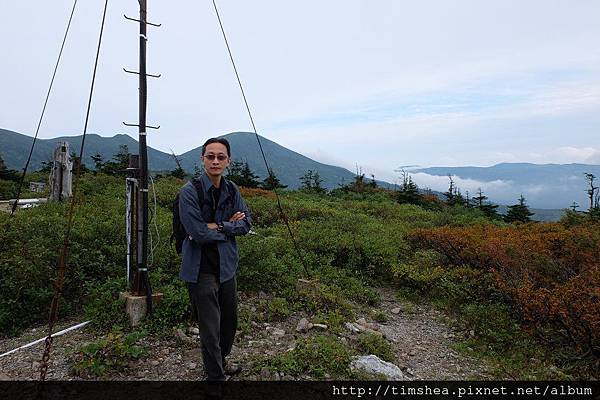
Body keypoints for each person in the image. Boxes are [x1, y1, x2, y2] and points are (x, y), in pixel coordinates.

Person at [178, 137, 251, 381]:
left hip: (226, 267)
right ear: (202, 159)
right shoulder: (189, 192)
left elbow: (246, 224)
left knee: (229, 323)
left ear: (228, 161)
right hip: (201, 269)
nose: (216, 161)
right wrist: (229, 225)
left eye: (221, 157)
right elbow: (197, 233)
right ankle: (215, 379)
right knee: (209, 328)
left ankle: (222, 360)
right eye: (211, 156)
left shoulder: (232, 190)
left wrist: (217, 225)